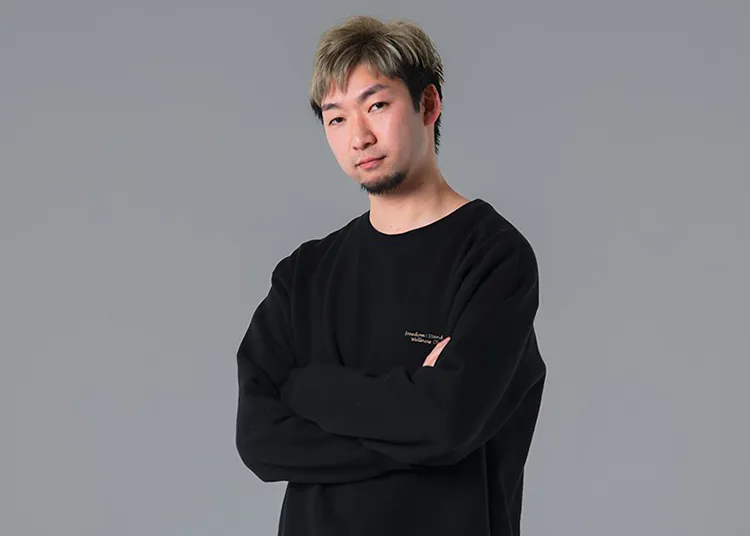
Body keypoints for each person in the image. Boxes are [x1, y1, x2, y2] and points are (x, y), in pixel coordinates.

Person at [235, 15, 546, 536]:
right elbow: (259, 440)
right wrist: (416, 420)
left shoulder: (494, 257)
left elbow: (446, 424)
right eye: (336, 118)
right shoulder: (304, 275)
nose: (359, 136)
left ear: (428, 104)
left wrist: (309, 389)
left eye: (376, 105)